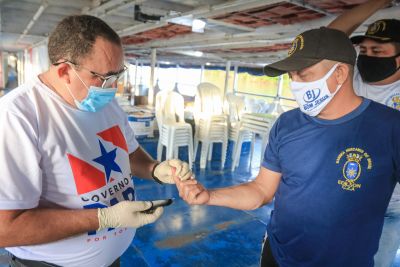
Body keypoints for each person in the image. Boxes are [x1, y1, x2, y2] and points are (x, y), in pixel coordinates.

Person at [174, 27, 400, 267]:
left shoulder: (389, 128)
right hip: (278, 256)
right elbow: (261, 190)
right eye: (291, 76)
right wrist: (209, 196)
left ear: (340, 73)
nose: (295, 84)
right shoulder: (287, 124)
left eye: (303, 74)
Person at [0, 15, 192, 267]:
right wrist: (103, 218)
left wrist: (155, 169)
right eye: (104, 78)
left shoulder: (105, 100)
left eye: (117, 76)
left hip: (111, 259)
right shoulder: (17, 117)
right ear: (64, 70)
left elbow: (129, 151)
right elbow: (6, 229)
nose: (112, 87)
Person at [328, 1, 400, 266]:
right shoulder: (351, 76)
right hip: (343, 193)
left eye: (378, 50)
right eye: (365, 49)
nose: (367, 55)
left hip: (391, 207)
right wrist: (379, 2)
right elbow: (331, 36)